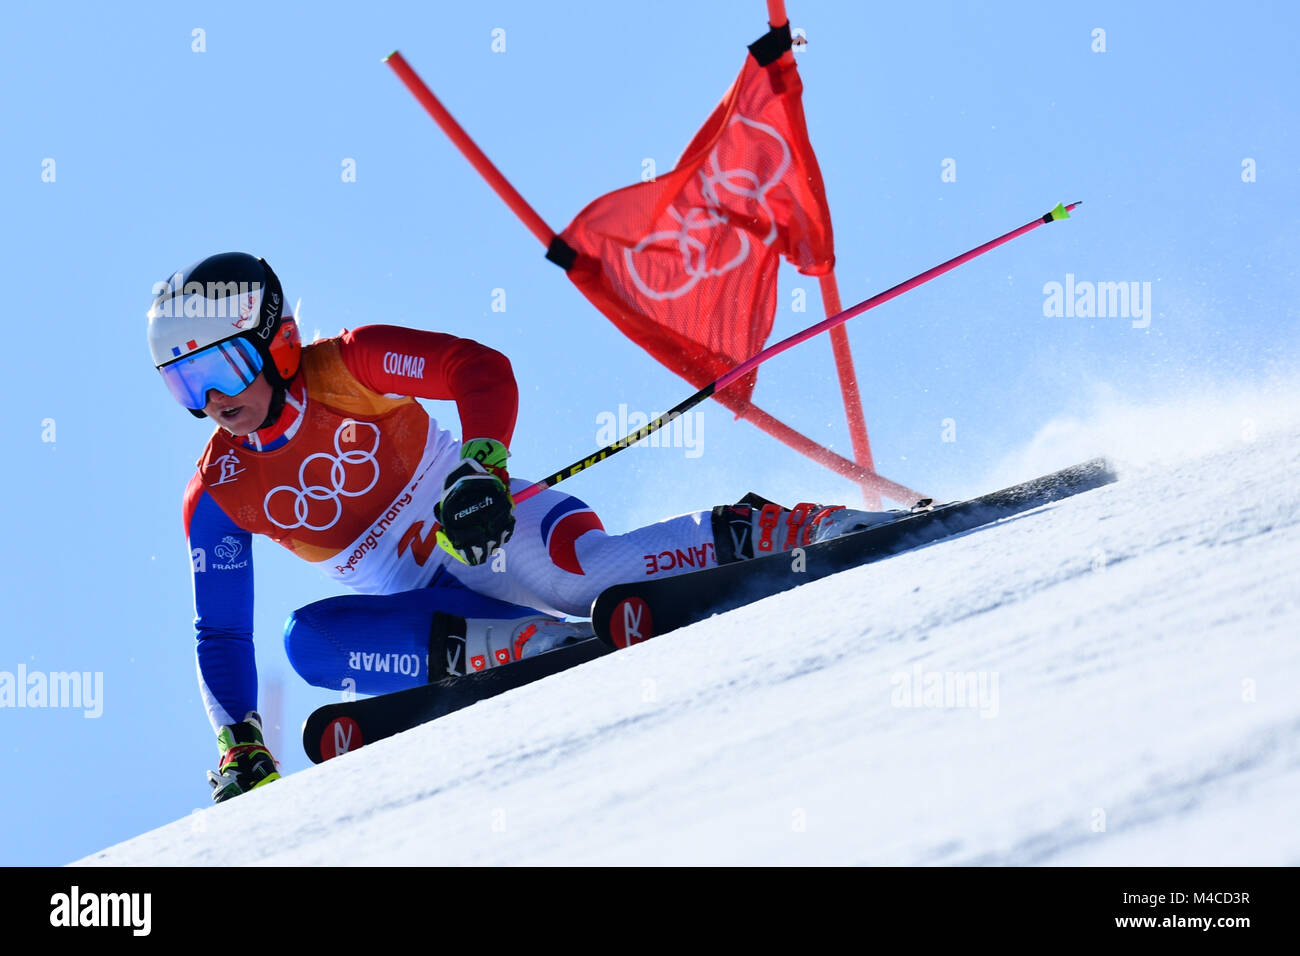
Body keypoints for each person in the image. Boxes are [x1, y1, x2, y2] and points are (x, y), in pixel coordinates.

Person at [148, 252, 891, 801]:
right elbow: (219, 634)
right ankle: (521, 648)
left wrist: (481, 469)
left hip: (485, 526)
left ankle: (780, 529)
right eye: (185, 384)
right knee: (304, 644)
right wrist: (238, 739)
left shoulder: (347, 364)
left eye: (221, 368)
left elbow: (478, 368)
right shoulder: (218, 491)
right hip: (429, 613)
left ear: (276, 344)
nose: (210, 399)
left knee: (584, 577)